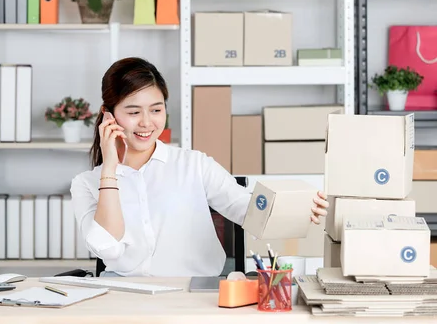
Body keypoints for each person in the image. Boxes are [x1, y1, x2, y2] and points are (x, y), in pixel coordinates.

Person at [70, 57, 329, 278]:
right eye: (134, 112)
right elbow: (107, 248)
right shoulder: (86, 183)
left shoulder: (194, 165)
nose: (147, 123)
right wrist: (110, 170)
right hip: (123, 301)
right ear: (108, 115)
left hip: (194, 299)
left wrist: (294, 210)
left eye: (156, 110)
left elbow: (244, 208)